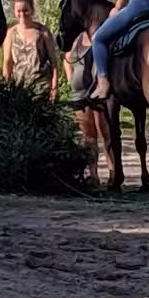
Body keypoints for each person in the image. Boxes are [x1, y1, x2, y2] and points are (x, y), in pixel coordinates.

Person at [64, 32, 110, 185]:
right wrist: (71, 79)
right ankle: (93, 175)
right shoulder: (76, 39)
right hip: (79, 94)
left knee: (105, 132)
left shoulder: (102, 36)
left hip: (98, 92)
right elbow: (67, 59)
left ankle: (114, 173)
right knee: (88, 136)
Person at [2, 0, 59, 103]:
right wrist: (5, 87)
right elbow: (7, 63)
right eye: (19, 11)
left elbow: (54, 63)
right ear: (14, 12)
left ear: (32, 10)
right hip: (19, 89)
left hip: (41, 88)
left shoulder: (43, 32)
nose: (22, 14)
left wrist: (54, 87)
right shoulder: (10, 33)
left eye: (25, 10)